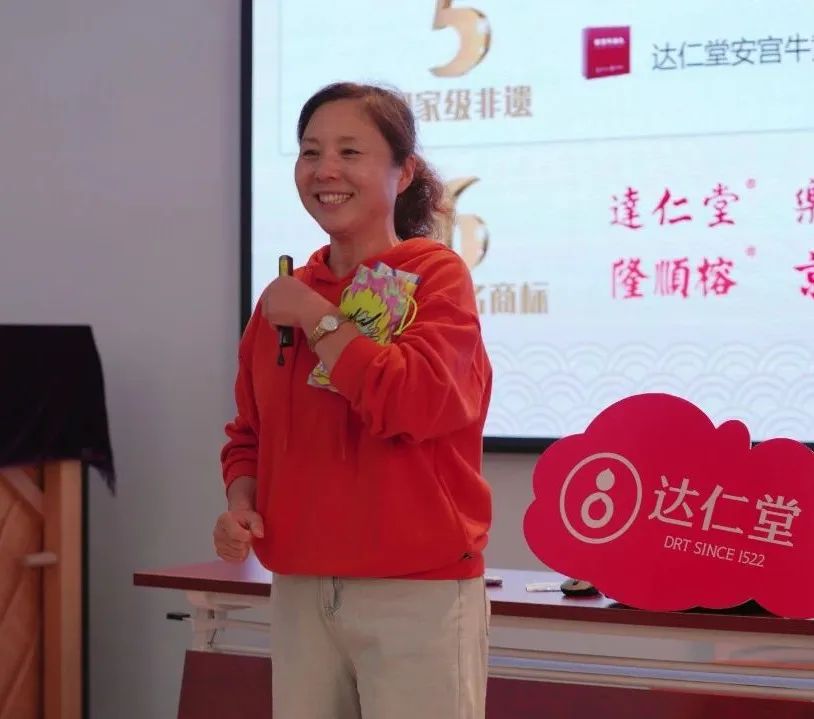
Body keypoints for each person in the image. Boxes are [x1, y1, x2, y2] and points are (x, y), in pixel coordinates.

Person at [215, 82, 493, 719]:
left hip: (415, 591)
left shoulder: (434, 276)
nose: (325, 170)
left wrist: (319, 319)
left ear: (404, 172)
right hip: (300, 587)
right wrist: (241, 503)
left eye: (350, 152)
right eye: (310, 152)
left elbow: (412, 403)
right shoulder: (286, 295)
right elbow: (249, 433)